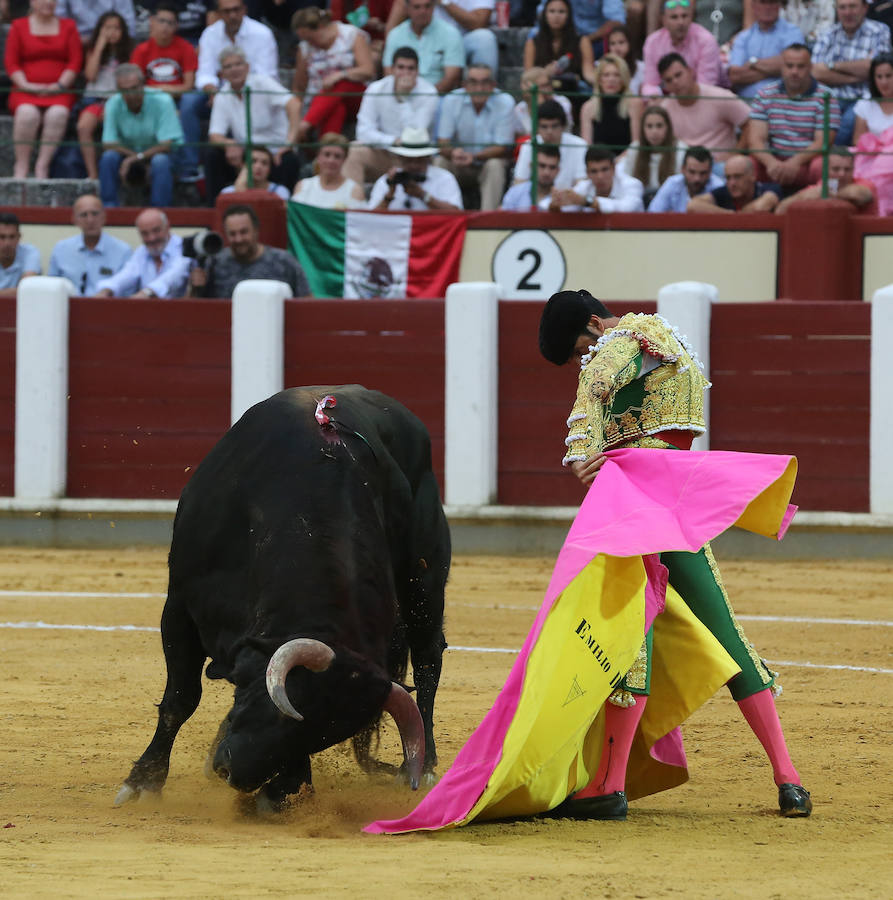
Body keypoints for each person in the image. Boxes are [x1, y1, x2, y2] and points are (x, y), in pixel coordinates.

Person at [535, 289, 813, 821]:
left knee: (631, 635)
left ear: (595, 323)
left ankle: (608, 786)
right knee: (726, 633)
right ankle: (788, 778)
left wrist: (581, 454)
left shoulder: (617, 340)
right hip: (674, 502)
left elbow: (592, 391)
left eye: (577, 349)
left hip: (637, 501)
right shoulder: (666, 338)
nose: (581, 360)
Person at [206, 47, 302, 199]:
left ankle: (285, 211)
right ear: (221, 74)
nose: (234, 69)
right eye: (228, 66)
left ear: (247, 67)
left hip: (274, 153)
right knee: (213, 155)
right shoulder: (222, 96)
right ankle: (214, 212)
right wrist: (229, 143)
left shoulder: (262, 83)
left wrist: (289, 142)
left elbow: (294, 104)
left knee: (290, 160)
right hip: (245, 156)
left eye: (238, 64)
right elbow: (215, 135)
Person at [4, 0, 82, 179]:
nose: (48, 3)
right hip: (25, 90)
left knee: (58, 114)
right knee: (27, 114)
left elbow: (75, 61)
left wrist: (60, 85)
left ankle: (42, 165)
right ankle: (21, 165)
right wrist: (27, 85)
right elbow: (11, 62)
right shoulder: (19, 26)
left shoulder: (68, 26)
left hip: (60, 91)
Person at [342, 46, 438, 188]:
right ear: (392, 69)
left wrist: (403, 98)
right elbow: (363, 131)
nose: (405, 73)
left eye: (410, 68)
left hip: (415, 158)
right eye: (401, 67)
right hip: (384, 153)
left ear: (417, 71)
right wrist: (392, 141)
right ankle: (353, 205)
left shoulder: (429, 92)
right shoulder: (376, 89)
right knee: (355, 150)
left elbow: (416, 133)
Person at [749, 43, 841, 189]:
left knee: (822, 167)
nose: (794, 71)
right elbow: (755, 140)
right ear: (781, 67)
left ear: (810, 67)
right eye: (789, 66)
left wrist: (795, 162)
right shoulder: (765, 94)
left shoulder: (826, 96)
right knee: (746, 165)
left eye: (800, 66)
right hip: (774, 160)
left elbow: (823, 142)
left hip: (807, 161)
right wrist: (771, 163)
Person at [130, 3, 202, 183]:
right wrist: (165, 91)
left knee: (187, 107)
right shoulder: (141, 50)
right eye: (161, 21)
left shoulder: (185, 48)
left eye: (170, 23)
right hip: (150, 102)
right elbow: (135, 87)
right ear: (151, 22)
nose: (165, 26)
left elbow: (188, 86)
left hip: (177, 101)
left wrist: (157, 91)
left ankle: (188, 166)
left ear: (176, 27)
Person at [99, 64, 184, 207]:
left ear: (143, 85)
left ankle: (159, 210)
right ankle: (109, 208)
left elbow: (167, 144)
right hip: (128, 154)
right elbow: (108, 143)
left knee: (160, 161)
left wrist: (137, 158)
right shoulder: (113, 103)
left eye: (134, 88)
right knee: (108, 158)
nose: (131, 94)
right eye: (124, 90)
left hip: (161, 154)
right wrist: (134, 157)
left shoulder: (162, 100)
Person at [811, 0, 892, 145]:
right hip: (830, 98)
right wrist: (858, 74)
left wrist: (830, 66)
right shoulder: (827, 34)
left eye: (853, 6)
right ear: (837, 10)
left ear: (865, 8)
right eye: (842, 7)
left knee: (848, 122)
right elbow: (815, 72)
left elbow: (877, 68)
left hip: (863, 98)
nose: (847, 12)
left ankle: (832, 161)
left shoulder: (879, 30)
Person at [291, 6, 375, 144]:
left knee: (339, 84)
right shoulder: (305, 48)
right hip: (322, 104)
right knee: (336, 108)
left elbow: (368, 70)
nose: (309, 43)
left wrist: (341, 75)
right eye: (305, 40)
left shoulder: (351, 35)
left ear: (321, 27)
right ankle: (327, 149)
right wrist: (297, 114)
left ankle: (305, 125)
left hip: (355, 97)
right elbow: (299, 87)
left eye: (310, 38)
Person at [435, 64, 515, 210]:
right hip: (458, 163)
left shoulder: (505, 102)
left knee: (495, 165)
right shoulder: (451, 100)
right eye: (473, 82)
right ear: (464, 85)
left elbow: (504, 147)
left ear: (493, 85)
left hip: (486, 164)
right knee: (440, 162)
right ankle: (441, 217)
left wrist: (476, 157)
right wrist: (453, 153)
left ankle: (488, 221)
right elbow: (442, 142)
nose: (479, 88)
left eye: (485, 83)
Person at [189, 205, 311, 298]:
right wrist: (195, 289)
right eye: (232, 234)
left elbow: (306, 304)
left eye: (244, 232)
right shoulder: (214, 263)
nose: (238, 239)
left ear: (256, 230)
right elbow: (193, 310)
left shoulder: (284, 262)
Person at [658, 52, 751, 172]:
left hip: (718, 166)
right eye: (669, 80)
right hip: (684, 168)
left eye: (678, 75)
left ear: (690, 71)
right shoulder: (665, 108)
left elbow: (751, 122)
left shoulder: (719, 97)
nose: (675, 82)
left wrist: (735, 153)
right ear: (665, 86)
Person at [77, 12, 132, 181]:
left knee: (112, 120)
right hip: (95, 100)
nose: (112, 32)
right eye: (107, 28)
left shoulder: (129, 51)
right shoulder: (93, 50)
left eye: (116, 28)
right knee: (83, 127)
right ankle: (92, 173)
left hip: (119, 101)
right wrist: (100, 47)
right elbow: (90, 75)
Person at [94, 208, 191, 299]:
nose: (151, 238)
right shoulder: (142, 251)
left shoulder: (183, 248)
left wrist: (146, 293)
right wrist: (107, 289)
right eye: (145, 233)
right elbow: (127, 274)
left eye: (156, 230)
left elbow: (173, 277)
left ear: (167, 227)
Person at [47, 193, 133, 295]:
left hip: (108, 309)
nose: (90, 220)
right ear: (74, 220)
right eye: (83, 215)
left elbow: (128, 293)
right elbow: (51, 289)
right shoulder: (61, 249)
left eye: (95, 214)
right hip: (69, 309)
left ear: (104, 217)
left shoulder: (123, 251)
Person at [385, 0, 499, 76]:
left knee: (485, 38)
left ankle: (483, 87)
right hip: (425, 38)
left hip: (463, 39)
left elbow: (479, 23)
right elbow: (392, 28)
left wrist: (445, 2)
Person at [368, 126, 464, 210]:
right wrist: (389, 194)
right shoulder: (386, 181)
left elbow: (456, 214)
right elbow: (369, 220)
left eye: (419, 160)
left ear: (428, 158)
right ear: (401, 159)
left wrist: (423, 195)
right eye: (409, 160)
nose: (414, 165)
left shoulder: (444, 178)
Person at [382, 0, 465, 94]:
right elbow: (389, 73)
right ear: (407, 9)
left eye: (427, 6)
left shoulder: (451, 34)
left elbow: (451, 78)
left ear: (434, 7)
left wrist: (428, 97)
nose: (422, 11)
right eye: (417, 7)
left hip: (438, 98)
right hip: (401, 95)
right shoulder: (395, 34)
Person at [641, 0, 722, 96]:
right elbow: (650, 85)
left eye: (684, 16)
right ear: (663, 20)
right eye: (674, 17)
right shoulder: (653, 42)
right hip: (667, 99)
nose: (681, 22)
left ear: (691, 17)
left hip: (702, 98)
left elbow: (706, 87)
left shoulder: (706, 40)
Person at [728, 0, 806, 98]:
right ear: (754, 6)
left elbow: (795, 65)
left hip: (781, 103)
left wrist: (753, 63)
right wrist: (775, 70)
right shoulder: (743, 37)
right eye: (763, 2)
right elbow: (735, 75)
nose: (768, 7)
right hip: (746, 104)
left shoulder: (793, 32)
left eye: (772, 2)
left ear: (779, 5)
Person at [523, 0, 596, 94]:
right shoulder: (532, 43)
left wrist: (602, 80)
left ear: (569, 16)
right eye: (552, 11)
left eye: (561, 12)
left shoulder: (582, 41)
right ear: (545, 14)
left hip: (574, 91)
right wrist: (545, 73)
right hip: (543, 93)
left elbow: (588, 73)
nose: (556, 16)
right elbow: (528, 77)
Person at [513, 98, 589, 188]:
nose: (549, 131)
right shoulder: (529, 146)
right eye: (544, 126)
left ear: (563, 126)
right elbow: (519, 184)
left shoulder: (579, 146)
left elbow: (582, 185)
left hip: (570, 200)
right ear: (537, 127)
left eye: (554, 126)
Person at [775, 146, 878, 212]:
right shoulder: (819, 188)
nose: (842, 174)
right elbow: (780, 210)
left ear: (853, 170)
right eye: (836, 169)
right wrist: (801, 197)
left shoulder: (864, 184)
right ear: (825, 170)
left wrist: (824, 194)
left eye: (847, 169)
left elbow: (859, 194)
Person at [548, 143, 645, 211]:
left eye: (605, 169)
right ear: (587, 173)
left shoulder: (632, 184)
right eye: (594, 171)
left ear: (614, 168)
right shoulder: (584, 187)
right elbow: (567, 209)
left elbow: (626, 208)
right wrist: (557, 204)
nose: (600, 176)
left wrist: (587, 201)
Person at [621, 105, 688, 202]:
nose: (654, 131)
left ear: (668, 127)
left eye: (659, 126)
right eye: (649, 126)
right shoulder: (634, 149)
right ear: (643, 129)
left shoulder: (681, 150)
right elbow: (627, 184)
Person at [579, 53, 638, 152]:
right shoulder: (588, 108)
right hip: (598, 162)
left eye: (617, 75)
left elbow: (636, 144)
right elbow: (587, 147)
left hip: (626, 162)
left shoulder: (634, 104)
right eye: (606, 75)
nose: (611, 79)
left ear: (623, 79)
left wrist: (617, 163)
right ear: (599, 80)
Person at [530, 0, 627, 60]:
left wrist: (584, 40)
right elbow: (543, 11)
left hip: (595, 40)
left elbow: (617, 20)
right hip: (563, 36)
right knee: (533, 35)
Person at [292, 132, 367, 208]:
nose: (331, 160)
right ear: (318, 156)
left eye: (337, 156)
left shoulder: (355, 191)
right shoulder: (303, 186)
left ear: (344, 159)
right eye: (327, 154)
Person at [688, 153, 782, 211]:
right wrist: (729, 215)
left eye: (738, 177)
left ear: (753, 176)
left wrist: (736, 216)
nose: (732, 183)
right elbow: (693, 206)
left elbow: (762, 206)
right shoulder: (725, 191)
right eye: (728, 178)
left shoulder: (768, 188)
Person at [646, 143, 725, 210]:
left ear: (710, 171)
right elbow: (653, 214)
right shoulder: (672, 183)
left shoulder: (719, 187)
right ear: (683, 169)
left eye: (703, 173)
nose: (697, 178)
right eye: (692, 172)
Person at [511, 66, 574, 139]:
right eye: (542, 86)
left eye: (548, 84)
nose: (547, 89)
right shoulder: (519, 109)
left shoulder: (563, 101)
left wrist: (540, 103)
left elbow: (550, 132)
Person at [500, 143, 562, 209]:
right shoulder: (514, 193)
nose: (546, 172)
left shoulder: (564, 199)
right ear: (532, 166)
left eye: (552, 167)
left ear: (558, 170)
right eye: (542, 166)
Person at [221, 145, 292, 200]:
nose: (258, 166)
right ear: (243, 165)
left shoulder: (280, 192)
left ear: (270, 169)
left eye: (264, 163)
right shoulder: (227, 192)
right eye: (253, 161)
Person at [54, 0, 137, 45]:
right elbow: (58, 20)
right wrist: (74, 40)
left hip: (112, 42)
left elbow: (128, 25)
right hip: (78, 41)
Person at [852, 51, 893, 141]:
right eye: (879, 77)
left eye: (888, 76)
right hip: (872, 154)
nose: (884, 82)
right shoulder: (864, 103)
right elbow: (858, 141)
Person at [0, 213, 41, 298]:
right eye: (2, 237)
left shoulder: (30, 253)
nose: (7, 243)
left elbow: (27, 290)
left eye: (12, 237)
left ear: (19, 237)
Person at [606, 24, 643, 94]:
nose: (617, 48)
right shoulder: (601, 66)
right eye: (612, 43)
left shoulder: (642, 67)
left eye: (621, 42)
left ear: (630, 43)